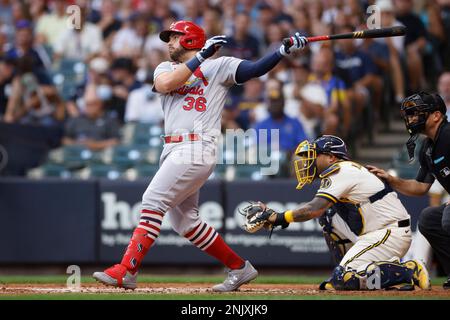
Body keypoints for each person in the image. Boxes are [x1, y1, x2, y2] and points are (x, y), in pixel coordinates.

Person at [93, 20, 308, 292]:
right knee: (184, 221)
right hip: (172, 148)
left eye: (174, 37)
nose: (169, 43)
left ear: (190, 39)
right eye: (168, 38)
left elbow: (254, 69)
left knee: (152, 200)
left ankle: (127, 269)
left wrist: (282, 51)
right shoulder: (165, 68)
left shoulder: (220, 66)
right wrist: (202, 55)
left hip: (196, 146)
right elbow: (167, 84)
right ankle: (239, 268)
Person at [242, 135, 430, 291]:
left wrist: (280, 217)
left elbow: (314, 209)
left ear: (332, 157)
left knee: (342, 280)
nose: (310, 160)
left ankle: (408, 270)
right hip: (374, 234)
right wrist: (282, 219)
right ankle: (350, 270)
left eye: (315, 154)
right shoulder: (343, 171)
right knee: (330, 217)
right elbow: (321, 211)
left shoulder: (342, 170)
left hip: (389, 234)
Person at [368, 92, 450, 289]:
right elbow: (421, 187)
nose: (411, 118)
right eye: (410, 114)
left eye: (416, 113)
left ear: (436, 115)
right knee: (429, 218)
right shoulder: (428, 147)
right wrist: (391, 179)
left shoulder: (449, 136)